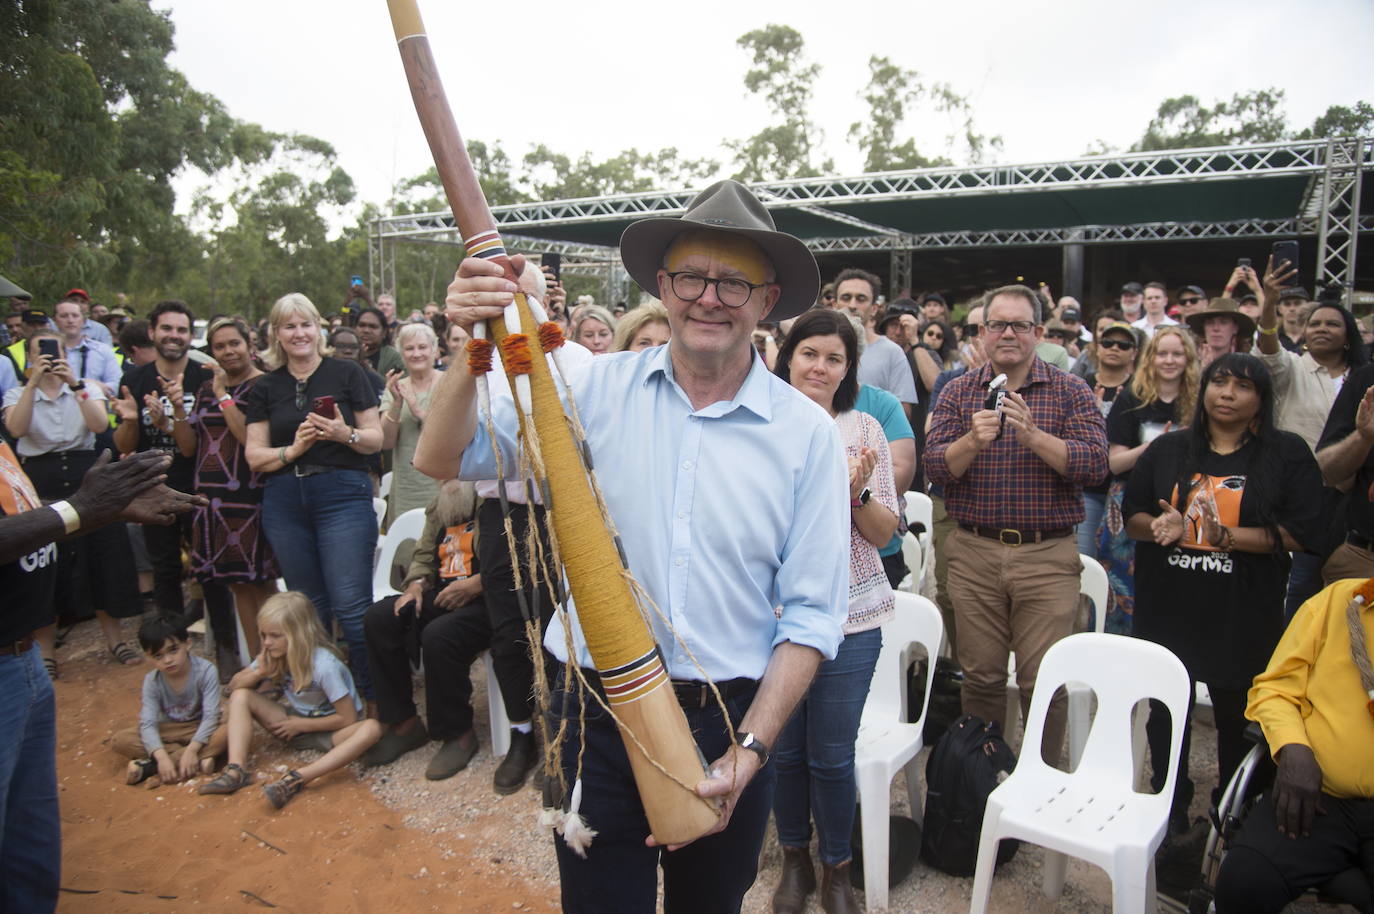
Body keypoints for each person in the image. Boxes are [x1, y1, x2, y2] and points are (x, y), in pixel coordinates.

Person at [420, 178, 849, 913]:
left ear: (767, 300)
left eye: (734, 283)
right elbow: (443, 456)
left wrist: (750, 749)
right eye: (690, 276)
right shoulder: (590, 391)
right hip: (587, 709)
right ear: (662, 286)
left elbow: (812, 616)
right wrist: (473, 343)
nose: (708, 297)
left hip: (727, 714)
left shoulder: (806, 433)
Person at [1124, 353, 1322, 832]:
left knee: (1239, 718)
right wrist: (1162, 526)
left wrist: (1228, 538)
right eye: (1219, 382)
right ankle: (1168, 804)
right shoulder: (1168, 449)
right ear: (1205, 389)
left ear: (1261, 399)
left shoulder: (1286, 453)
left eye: (1242, 386)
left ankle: (1232, 812)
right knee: (1168, 713)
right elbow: (1132, 516)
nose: (1227, 393)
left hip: (1242, 611)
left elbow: (1305, 531)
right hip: (1170, 607)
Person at [0, 445, 201, 914]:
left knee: (29, 839)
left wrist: (100, 513)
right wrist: (80, 508)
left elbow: (24, 531)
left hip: (23, 659)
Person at [924, 283, 1108, 764]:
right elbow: (935, 468)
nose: (1008, 333)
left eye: (1019, 325)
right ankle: (984, 779)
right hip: (975, 552)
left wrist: (1033, 436)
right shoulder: (958, 389)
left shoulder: (1070, 391)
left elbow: (1094, 466)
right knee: (981, 677)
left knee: (1042, 679)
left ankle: (1039, 782)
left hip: (1046, 556)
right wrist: (971, 441)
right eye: (997, 325)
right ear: (982, 332)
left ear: (1039, 333)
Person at [769, 309, 899, 914]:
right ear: (789, 355)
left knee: (831, 753)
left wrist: (856, 493)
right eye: (810, 353)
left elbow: (882, 534)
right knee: (783, 749)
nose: (819, 366)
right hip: (772, 616)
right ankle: (794, 858)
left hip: (852, 614)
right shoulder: (760, 423)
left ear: (848, 369)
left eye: (834, 358)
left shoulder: (864, 429)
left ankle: (836, 870)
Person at [243, 293, 383, 700]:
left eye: (306, 324)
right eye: (289, 326)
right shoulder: (265, 386)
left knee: (352, 606)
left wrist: (344, 434)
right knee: (307, 609)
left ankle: (375, 701)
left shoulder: (347, 373)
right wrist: (293, 451)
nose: (299, 333)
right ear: (277, 334)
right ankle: (326, 698)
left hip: (342, 493)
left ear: (318, 329)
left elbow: (374, 440)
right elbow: (255, 455)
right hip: (285, 499)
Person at [1212, 576, 1374, 914]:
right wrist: (1293, 748)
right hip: (1315, 800)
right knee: (1243, 884)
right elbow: (1274, 689)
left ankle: (1342, 876)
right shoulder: (1336, 601)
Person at [3, 330, 143, 675]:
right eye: (40, 353)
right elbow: (17, 430)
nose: (49, 358)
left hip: (85, 472)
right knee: (47, 562)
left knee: (101, 556)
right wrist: (33, 383)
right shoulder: (18, 393)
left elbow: (98, 426)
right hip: (41, 476)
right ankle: (47, 651)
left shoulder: (85, 387)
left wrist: (76, 384)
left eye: (54, 351)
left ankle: (115, 639)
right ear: (30, 359)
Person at [197, 591, 383, 808]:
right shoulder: (273, 654)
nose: (267, 642)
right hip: (294, 724)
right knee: (241, 696)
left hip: (331, 732)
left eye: (275, 636)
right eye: (263, 635)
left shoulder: (324, 666)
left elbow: (348, 718)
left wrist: (302, 725)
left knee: (371, 729)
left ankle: (300, 777)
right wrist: (259, 673)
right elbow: (232, 688)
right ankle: (236, 769)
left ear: (298, 634)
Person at [362, 480, 488, 779]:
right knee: (380, 617)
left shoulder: (492, 501)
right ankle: (404, 723)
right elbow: (423, 556)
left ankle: (457, 733)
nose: (449, 480)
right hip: (444, 593)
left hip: (485, 598)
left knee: (439, 635)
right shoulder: (440, 505)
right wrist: (416, 586)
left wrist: (474, 585)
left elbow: (510, 562)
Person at [175, 317, 278, 673]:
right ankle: (259, 665)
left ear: (249, 344)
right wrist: (173, 412)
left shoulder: (263, 386)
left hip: (250, 497)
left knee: (261, 585)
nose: (227, 351)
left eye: (234, 343)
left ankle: (280, 664)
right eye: (219, 346)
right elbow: (189, 447)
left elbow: (249, 438)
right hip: (213, 500)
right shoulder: (205, 389)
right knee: (236, 586)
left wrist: (222, 396)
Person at [112, 299, 211, 618]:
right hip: (152, 486)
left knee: (208, 565)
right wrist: (129, 421)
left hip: (200, 487)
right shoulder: (134, 380)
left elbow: (191, 449)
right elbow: (124, 445)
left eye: (182, 330)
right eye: (167, 328)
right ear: (152, 332)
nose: (174, 335)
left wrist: (177, 412)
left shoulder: (205, 378)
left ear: (190, 336)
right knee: (164, 566)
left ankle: (223, 642)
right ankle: (172, 639)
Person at [1097, 326, 1199, 633]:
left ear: (1188, 359)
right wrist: (1157, 447)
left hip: (1185, 500)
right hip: (1129, 499)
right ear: (1150, 358)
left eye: (1177, 354)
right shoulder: (1131, 399)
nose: (1169, 360)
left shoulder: (1199, 401)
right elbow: (1114, 463)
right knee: (1121, 586)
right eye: (1162, 353)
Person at [113, 615, 227, 786]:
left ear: (187, 643)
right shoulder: (152, 681)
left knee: (228, 731)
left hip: (200, 726)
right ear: (148, 657)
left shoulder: (206, 671)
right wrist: (161, 756)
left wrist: (193, 748)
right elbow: (148, 723)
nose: (168, 660)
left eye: (173, 650)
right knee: (120, 740)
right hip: (168, 730)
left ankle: (152, 768)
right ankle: (198, 759)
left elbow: (211, 716)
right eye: (158, 656)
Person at [1076, 321, 1139, 558]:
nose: (1114, 348)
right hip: (1088, 489)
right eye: (1108, 342)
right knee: (1085, 562)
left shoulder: (1140, 390)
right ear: (1097, 347)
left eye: (1123, 345)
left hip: (1127, 489)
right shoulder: (1079, 384)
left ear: (1134, 352)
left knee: (1121, 564)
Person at [833, 268, 920, 422]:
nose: (852, 305)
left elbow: (903, 414)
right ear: (834, 304)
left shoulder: (892, 352)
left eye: (861, 299)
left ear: (874, 308)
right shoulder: (819, 347)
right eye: (846, 297)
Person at [381, 322, 442, 523]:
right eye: (409, 348)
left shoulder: (448, 383)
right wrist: (397, 402)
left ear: (434, 350)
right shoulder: (396, 387)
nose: (416, 354)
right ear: (401, 353)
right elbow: (386, 442)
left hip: (443, 481)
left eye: (423, 347)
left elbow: (454, 434)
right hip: (407, 485)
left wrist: (417, 410)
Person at [54, 298, 121, 397]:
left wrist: (84, 387)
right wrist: (86, 384)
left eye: (75, 316)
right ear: (54, 320)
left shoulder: (102, 350)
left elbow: (116, 385)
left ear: (83, 320)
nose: (70, 320)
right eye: (64, 316)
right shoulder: (46, 351)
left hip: (95, 408)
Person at [1187, 296, 1255, 369]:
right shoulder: (1188, 363)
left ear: (1235, 328)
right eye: (1210, 323)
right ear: (1203, 328)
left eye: (1223, 322)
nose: (1216, 328)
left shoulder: (1247, 364)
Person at [354, 305, 404, 377]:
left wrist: (365, 365)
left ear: (384, 332)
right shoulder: (346, 351)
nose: (366, 330)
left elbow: (397, 386)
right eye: (362, 325)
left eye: (373, 326)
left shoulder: (393, 357)